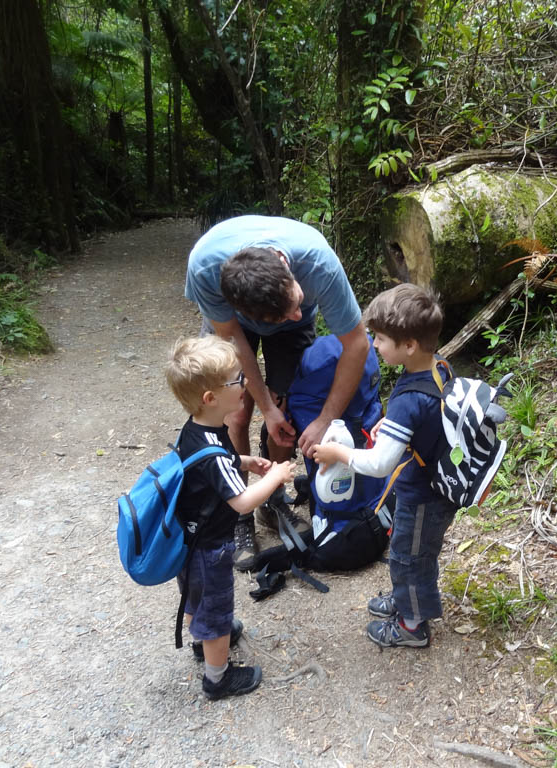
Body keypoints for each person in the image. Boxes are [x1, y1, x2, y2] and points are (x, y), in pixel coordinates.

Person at [185, 215, 370, 568]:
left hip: (289, 334)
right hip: (233, 328)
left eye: (298, 300)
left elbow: (357, 344)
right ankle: (238, 514)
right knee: (234, 415)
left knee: (286, 414)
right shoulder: (205, 268)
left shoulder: (318, 265)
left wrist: (323, 418)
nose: (298, 312)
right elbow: (233, 340)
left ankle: (272, 499)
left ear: (287, 268)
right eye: (289, 311)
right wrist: (263, 407)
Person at [313, 284, 455, 648]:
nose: (374, 344)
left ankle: (412, 626)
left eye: (380, 338)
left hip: (424, 496)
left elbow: (378, 464)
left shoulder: (409, 400)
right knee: (409, 552)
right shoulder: (438, 365)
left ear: (409, 345)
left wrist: (338, 454)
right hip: (431, 483)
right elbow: (430, 415)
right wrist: (392, 425)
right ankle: (406, 597)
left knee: (410, 557)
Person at [165, 335, 296, 699]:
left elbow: (214, 463)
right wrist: (274, 477)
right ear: (211, 398)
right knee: (218, 612)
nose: (246, 383)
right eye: (238, 379)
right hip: (210, 549)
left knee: (198, 598)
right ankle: (217, 678)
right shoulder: (213, 452)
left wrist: (245, 462)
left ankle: (201, 641)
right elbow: (242, 503)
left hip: (191, 542)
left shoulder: (197, 430)